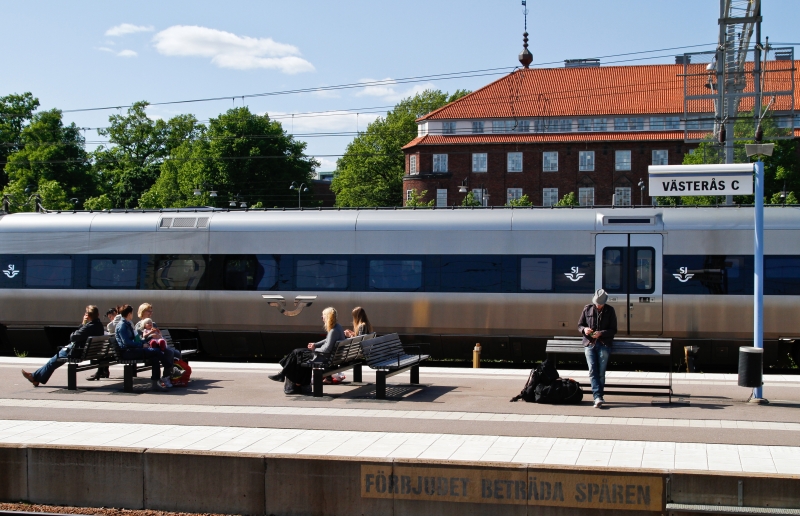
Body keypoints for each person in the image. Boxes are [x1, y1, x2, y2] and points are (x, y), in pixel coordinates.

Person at [22, 305, 105, 387]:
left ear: (88, 316)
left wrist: (83, 323)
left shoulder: (88, 327)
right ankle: (35, 377)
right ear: (98, 315)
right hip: (89, 352)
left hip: (77, 352)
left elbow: (73, 337)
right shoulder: (99, 325)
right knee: (53, 362)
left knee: (52, 362)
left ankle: (34, 377)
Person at [268, 307, 345, 393]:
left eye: (323, 316)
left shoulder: (333, 331)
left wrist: (315, 349)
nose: (322, 318)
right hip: (329, 356)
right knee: (297, 353)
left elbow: (327, 348)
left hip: (322, 357)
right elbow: (327, 341)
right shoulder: (338, 327)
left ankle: (285, 376)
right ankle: (292, 380)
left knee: (297, 353)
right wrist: (315, 344)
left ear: (328, 317)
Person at [115, 305, 173, 391]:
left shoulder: (127, 324)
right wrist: (141, 345)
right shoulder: (122, 326)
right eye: (132, 313)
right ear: (129, 314)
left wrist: (145, 341)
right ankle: (170, 368)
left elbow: (136, 339)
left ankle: (155, 383)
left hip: (133, 350)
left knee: (155, 357)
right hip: (128, 352)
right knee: (156, 351)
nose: (132, 315)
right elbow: (126, 342)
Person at [578, 289, 617, 408]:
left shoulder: (610, 310)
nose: (598, 305)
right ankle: (598, 396)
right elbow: (580, 325)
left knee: (601, 372)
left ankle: (599, 396)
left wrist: (601, 333)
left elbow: (613, 330)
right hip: (589, 344)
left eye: (600, 303)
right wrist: (584, 330)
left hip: (604, 344)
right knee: (592, 371)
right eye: (597, 303)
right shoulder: (587, 308)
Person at [87, 307, 121, 381]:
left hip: (118, 348)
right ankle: (103, 371)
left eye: (110, 317)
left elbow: (112, 329)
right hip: (117, 347)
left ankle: (100, 372)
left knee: (104, 351)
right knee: (106, 350)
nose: (110, 319)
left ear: (115, 314)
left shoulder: (116, 321)